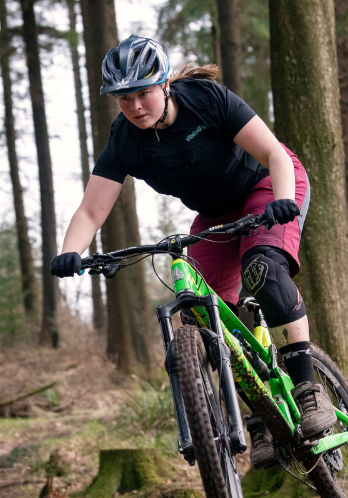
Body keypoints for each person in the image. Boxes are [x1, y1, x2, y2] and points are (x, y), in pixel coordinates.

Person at [49, 34, 333, 467]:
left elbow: (274, 153)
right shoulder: (125, 139)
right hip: (215, 214)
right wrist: (71, 251)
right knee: (201, 312)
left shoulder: (206, 99)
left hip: (267, 186)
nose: (135, 106)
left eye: (143, 93)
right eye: (124, 99)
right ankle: (259, 418)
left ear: (163, 84)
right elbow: (91, 209)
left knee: (263, 268)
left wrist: (282, 201)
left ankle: (309, 390)